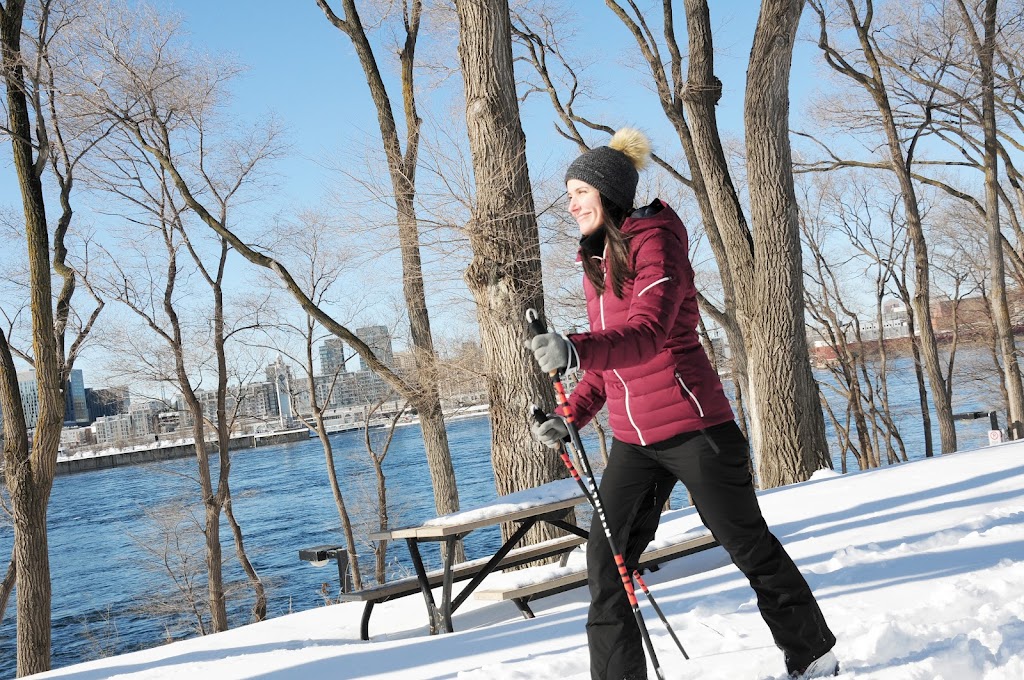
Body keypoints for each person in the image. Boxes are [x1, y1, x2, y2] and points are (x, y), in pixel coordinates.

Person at [527, 128, 838, 680]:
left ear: (609, 192)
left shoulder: (657, 242)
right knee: (607, 560)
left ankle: (812, 652)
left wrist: (574, 348)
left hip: (696, 428)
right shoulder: (594, 263)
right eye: (568, 194)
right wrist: (569, 415)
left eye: (579, 191)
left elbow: (646, 335)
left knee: (745, 543)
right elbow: (610, 364)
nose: (571, 204)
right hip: (634, 442)